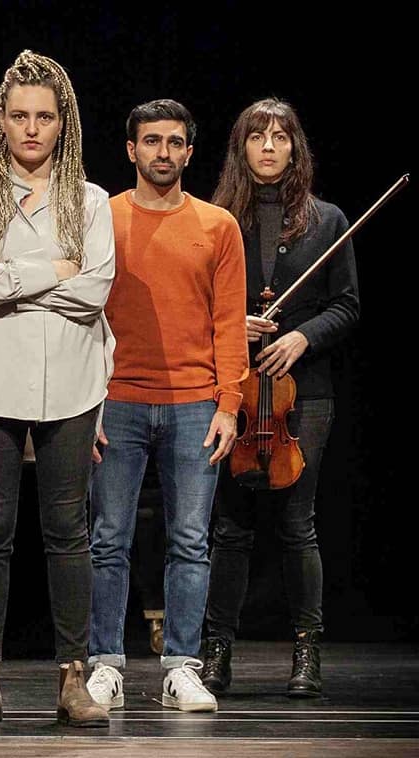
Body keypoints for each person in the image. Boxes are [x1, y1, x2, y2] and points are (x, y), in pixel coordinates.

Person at [0, 50, 115, 728]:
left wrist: (11, 274)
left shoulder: (91, 200)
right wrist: (55, 270)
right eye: (20, 116)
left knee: (68, 529)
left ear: (62, 122)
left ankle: (73, 679)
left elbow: (95, 290)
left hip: (73, 381)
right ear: (2, 121)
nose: (32, 129)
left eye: (44, 117)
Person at [86, 99, 249, 713]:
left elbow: (228, 321)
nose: (163, 151)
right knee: (108, 539)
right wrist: (87, 403)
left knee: (190, 540)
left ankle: (181, 666)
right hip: (116, 402)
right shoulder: (101, 218)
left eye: (174, 141)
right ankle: (105, 665)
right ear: (131, 149)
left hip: (194, 405)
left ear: (189, 151)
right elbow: (85, 317)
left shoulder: (218, 226)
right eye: (151, 140)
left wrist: (229, 403)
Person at [201, 97, 360, 698]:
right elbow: (193, 303)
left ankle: (307, 649)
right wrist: (229, 325)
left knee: (298, 525)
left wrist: (302, 336)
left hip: (304, 395)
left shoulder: (328, 219)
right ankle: (216, 651)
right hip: (233, 391)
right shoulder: (215, 219)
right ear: (240, 148)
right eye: (256, 136)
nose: (268, 146)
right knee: (230, 527)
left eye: (280, 137)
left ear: (296, 149)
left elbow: (347, 305)